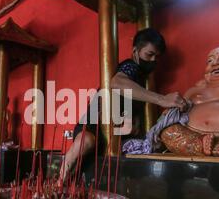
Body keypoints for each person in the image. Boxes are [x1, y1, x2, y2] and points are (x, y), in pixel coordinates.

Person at [60, 28, 186, 180]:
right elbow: (116, 82)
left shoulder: (142, 79)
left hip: (114, 133)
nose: (153, 60)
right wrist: (162, 99)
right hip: (93, 126)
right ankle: (59, 182)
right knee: (86, 142)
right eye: (149, 54)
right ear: (135, 51)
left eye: (156, 57)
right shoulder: (130, 66)